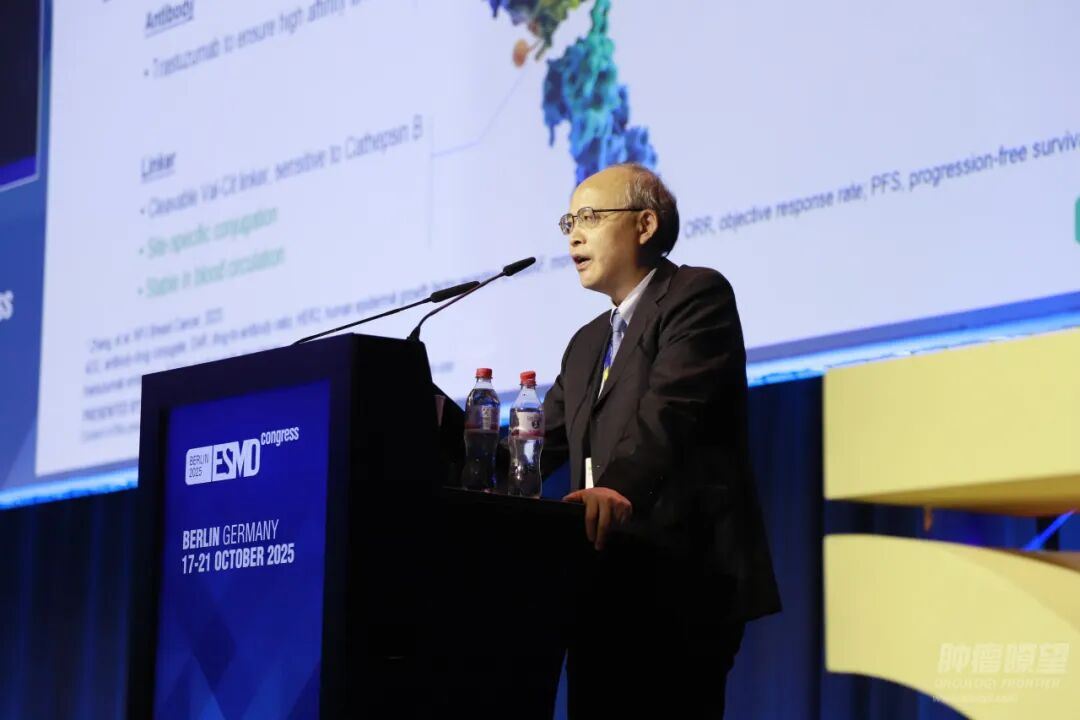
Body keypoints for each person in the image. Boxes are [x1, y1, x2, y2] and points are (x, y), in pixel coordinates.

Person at [542, 163, 781, 718]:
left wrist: (618, 488)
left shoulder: (695, 296)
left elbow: (672, 410)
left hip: (678, 584)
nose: (574, 236)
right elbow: (534, 440)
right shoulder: (586, 343)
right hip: (600, 590)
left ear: (645, 225)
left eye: (590, 217)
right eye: (569, 222)